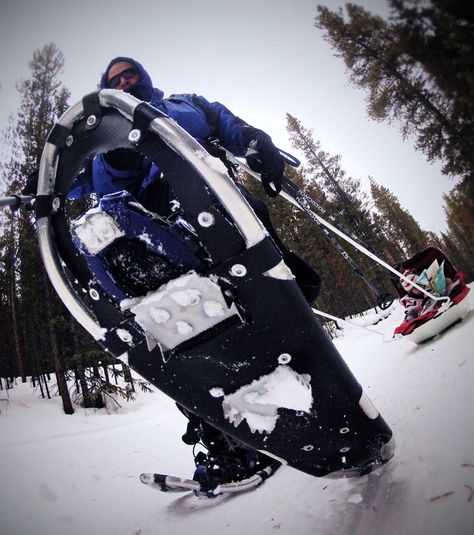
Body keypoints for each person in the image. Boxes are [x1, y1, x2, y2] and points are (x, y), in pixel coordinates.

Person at [70, 57, 320, 491]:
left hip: (214, 206)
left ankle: (300, 377)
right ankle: (229, 437)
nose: (125, 82)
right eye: (115, 80)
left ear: (144, 78)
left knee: (278, 282)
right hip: (150, 234)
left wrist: (257, 145)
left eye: (130, 74)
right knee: (184, 330)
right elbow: (70, 180)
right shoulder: (102, 145)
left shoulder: (184, 105)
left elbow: (227, 125)